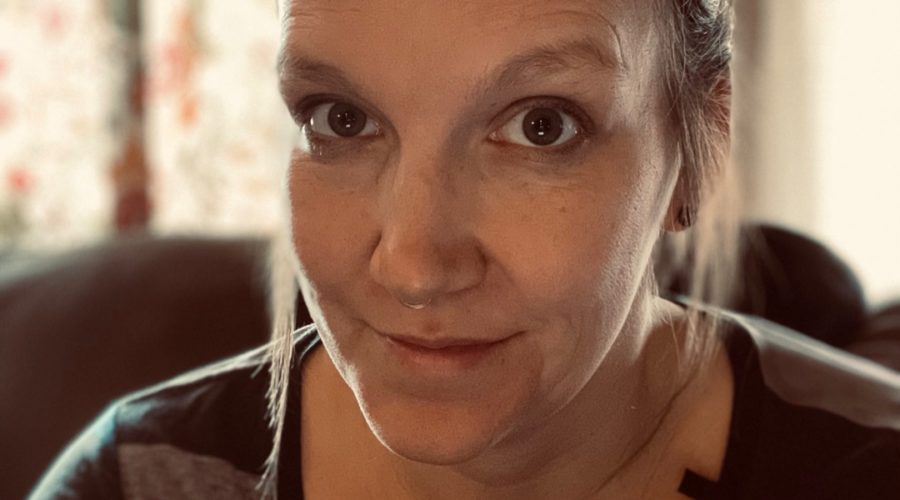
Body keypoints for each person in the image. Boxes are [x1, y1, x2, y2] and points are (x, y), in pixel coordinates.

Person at [30, 0, 900, 499]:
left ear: (701, 139)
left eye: (542, 126)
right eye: (341, 119)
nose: (414, 268)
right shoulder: (141, 479)